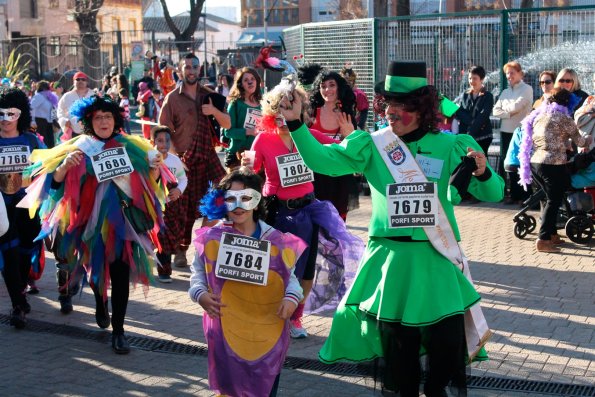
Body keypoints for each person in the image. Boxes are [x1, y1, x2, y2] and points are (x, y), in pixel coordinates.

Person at [279, 61, 504, 396]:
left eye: (403, 106)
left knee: (444, 347)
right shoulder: (372, 145)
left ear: (422, 109)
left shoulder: (451, 145)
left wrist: (483, 171)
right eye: (389, 105)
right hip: (391, 265)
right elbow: (321, 160)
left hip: (436, 261)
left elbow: (494, 193)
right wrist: (296, 123)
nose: (392, 113)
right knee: (401, 355)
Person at [23, 95, 169, 353]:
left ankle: (120, 331)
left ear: (116, 119)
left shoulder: (131, 145)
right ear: (89, 121)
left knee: (121, 274)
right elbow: (54, 186)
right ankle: (101, 305)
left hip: (123, 223)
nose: (104, 121)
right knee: (96, 273)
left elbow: (151, 184)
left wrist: (155, 168)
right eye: (98, 117)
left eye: (108, 116)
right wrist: (64, 168)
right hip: (88, 223)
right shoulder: (79, 146)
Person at [245, 77, 363, 339]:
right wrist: (243, 166)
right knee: (278, 268)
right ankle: (272, 314)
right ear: (271, 111)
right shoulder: (263, 140)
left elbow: (341, 149)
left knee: (306, 270)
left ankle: (296, 318)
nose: (283, 113)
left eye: (289, 105)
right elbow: (250, 175)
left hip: (308, 210)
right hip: (276, 213)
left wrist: (350, 137)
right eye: (278, 107)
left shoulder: (306, 136)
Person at [189, 168, 305, 397]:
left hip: (267, 329)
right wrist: (199, 294)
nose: (238, 205)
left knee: (265, 386)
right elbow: (198, 273)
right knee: (230, 388)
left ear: (257, 199)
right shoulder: (212, 238)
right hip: (227, 328)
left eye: (246, 197)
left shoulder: (276, 241)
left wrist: (292, 298)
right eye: (231, 198)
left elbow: (291, 279)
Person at [158, 53, 230, 268]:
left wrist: (214, 111)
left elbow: (227, 123)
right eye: (187, 67)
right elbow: (163, 132)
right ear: (180, 71)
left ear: (200, 70)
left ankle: (204, 246)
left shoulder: (210, 95)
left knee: (219, 198)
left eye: (194, 66)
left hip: (208, 158)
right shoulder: (172, 99)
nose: (191, 70)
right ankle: (180, 250)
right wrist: (175, 162)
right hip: (182, 162)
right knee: (184, 209)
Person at [518, 88, 592, 253]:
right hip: (552, 164)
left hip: (536, 163)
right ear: (568, 103)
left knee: (550, 199)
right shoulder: (565, 118)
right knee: (554, 200)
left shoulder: (539, 116)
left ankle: (551, 234)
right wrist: (589, 139)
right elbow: (580, 142)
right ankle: (543, 239)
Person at [0, 88, 45, 329]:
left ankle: (21, 292)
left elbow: (43, 170)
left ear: (21, 114)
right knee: (9, 252)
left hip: (27, 205)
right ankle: (18, 305)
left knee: (27, 249)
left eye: (11, 113)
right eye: (1, 113)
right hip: (1, 209)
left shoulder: (30, 140)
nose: (6, 119)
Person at [308, 70, 358, 220]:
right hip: (316, 174)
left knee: (338, 220)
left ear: (339, 88)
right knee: (317, 219)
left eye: (331, 85)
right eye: (323, 86)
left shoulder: (347, 114)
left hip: (340, 175)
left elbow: (352, 146)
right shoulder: (310, 114)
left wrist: (349, 135)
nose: (327, 90)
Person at [492, 61, 533, 205]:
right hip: (506, 131)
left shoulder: (527, 89)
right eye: (507, 73)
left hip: (521, 132)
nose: (509, 76)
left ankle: (526, 195)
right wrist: (509, 112)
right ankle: (513, 194)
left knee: (522, 163)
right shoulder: (505, 92)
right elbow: (495, 111)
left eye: (512, 73)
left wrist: (506, 109)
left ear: (520, 74)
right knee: (509, 164)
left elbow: (517, 106)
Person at [151, 125, 187, 283]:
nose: (163, 144)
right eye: (159, 140)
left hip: (172, 206)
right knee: (159, 238)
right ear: (153, 141)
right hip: (153, 205)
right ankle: (164, 271)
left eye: (167, 140)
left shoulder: (175, 160)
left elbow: (183, 179)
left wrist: (179, 190)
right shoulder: (148, 157)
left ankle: (163, 265)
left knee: (169, 237)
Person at [222, 67, 263, 170]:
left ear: (257, 82)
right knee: (242, 185)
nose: (250, 82)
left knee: (257, 185)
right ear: (241, 84)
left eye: (252, 79)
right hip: (238, 156)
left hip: (259, 154)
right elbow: (229, 132)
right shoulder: (235, 104)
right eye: (246, 80)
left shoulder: (263, 104)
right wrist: (249, 131)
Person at [456, 66, 494, 155]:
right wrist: (472, 122)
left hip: (482, 136)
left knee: (481, 162)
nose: (471, 81)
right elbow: (460, 112)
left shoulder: (488, 96)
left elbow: (483, 115)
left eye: (474, 78)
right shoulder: (465, 95)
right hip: (466, 135)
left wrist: (471, 132)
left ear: (482, 79)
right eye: (470, 78)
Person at [57, 71, 93, 141]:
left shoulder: (93, 95)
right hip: (73, 133)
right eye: (78, 79)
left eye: (83, 79)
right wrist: (64, 121)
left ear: (86, 82)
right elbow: (60, 111)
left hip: (91, 132)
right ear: (74, 82)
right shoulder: (67, 96)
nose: (80, 81)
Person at [30, 80, 59, 148]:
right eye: (46, 87)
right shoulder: (38, 96)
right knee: (43, 142)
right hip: (40, 122)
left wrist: (55, 121)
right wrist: (32, 121)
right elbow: (31, 108)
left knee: (50, 143)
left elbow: (53, 109)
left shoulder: (50, 96)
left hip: (49, 122)